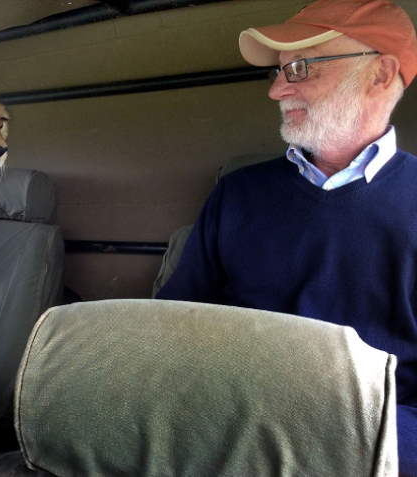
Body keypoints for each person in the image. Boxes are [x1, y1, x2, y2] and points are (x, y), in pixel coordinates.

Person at [156, 0, 417, 474]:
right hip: (224, 435)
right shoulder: (237, 194)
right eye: (277, 73)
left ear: (380, 74)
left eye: (299, 67)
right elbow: (176, 330)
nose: (277, 90)